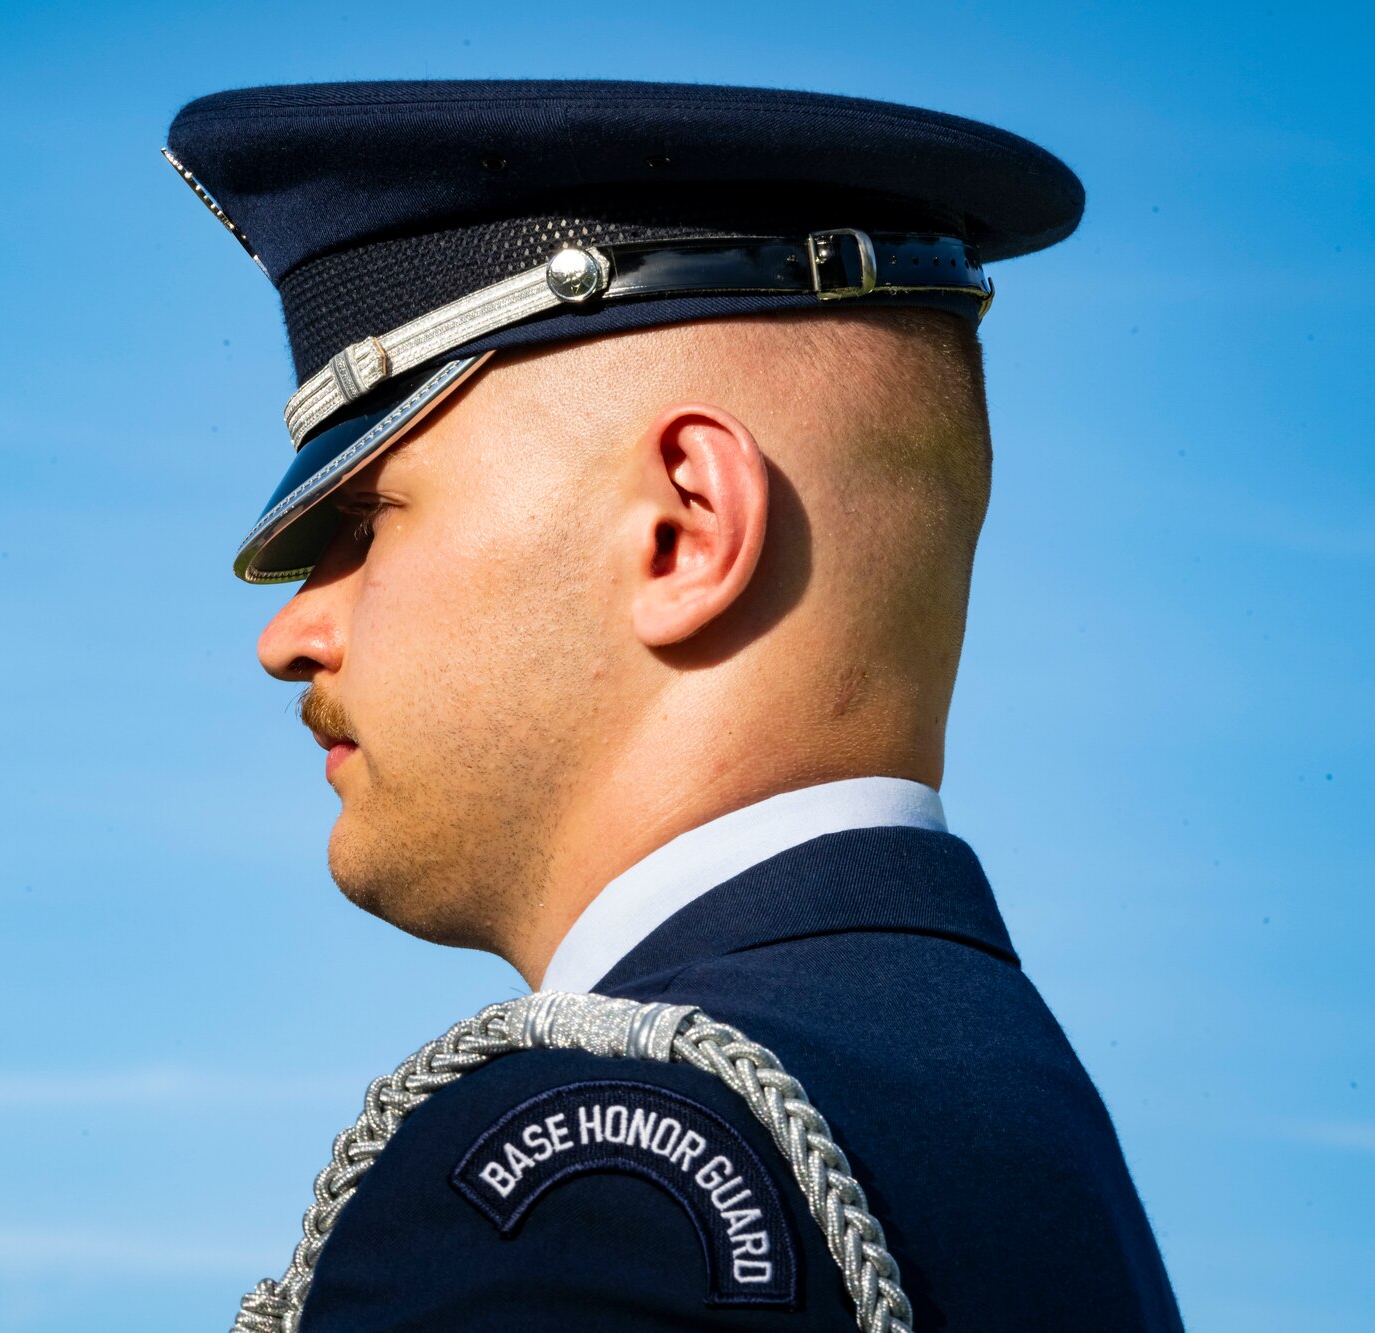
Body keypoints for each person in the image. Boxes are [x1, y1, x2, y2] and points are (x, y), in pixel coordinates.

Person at [164, 80, 1184, 1332]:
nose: (289, 633)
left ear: (680, 532)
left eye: (369, 525)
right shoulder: (1003, 1119)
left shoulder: (586, 1184)